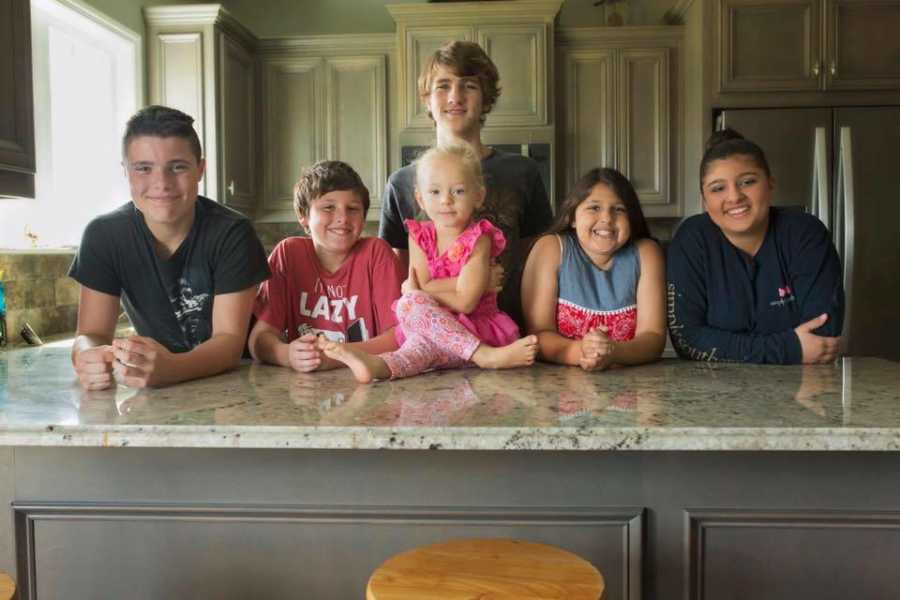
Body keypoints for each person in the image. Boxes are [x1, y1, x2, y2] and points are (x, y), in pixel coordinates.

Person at [69, 105, 271, 389]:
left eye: (177, 167)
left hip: (238, 381)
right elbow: (91, 333)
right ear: (126, 172)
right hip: (161, 380)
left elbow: (229, 342)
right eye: (144, 168)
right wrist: (86, 354)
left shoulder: (233, 233)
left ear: (200, 169)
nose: (161, 183)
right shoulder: (103, 236)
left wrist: (170, 369)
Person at [322, 143, 538, 383]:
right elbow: (424, 284)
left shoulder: (479, 238)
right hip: (430, 331)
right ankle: (377, 366)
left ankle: (485, 354)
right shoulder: (419, 235)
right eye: (435, 192)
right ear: (420, 199)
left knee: (410, 302)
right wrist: (449, 287)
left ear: (478, 196)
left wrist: (423, 291)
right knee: (417, 348)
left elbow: (465, 303)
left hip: (475, 330)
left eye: (458, 191)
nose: (446, 200)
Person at [378, 40, 552, 324]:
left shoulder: (523, 172)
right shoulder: (401, 183)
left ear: (485, 99)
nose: (455, 96)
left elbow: (541, 262)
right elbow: (399, 277)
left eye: (469, 85)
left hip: (509, 333)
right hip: (430, 337)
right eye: (443, 85)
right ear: (427, 99)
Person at [666, 128, 844, 364]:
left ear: (770, 185)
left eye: (747, 182)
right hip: (714, 394)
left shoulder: (806, 234)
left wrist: (728, 345)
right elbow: (688, 340)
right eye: (718, 188)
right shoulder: (691, 240)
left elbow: (822, 338)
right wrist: (790, 347)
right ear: (704, 200)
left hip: (801, 390)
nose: (734, 197)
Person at [248, 160, 404, 372]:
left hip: (369, 382)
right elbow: (259, 339)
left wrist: (339, 356)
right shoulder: (288, 255)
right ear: (303, 216)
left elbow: (399, 337)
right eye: (328, 207)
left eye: (352, 209)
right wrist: (287, 355)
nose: (342, 218)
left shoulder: (376, 254)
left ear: (363, 216)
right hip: (304, 388)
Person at [521, 168, 667, 371]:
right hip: (559, 386)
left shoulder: (647, 253)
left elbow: (653, 338)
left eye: (619, 209)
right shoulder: (550, 249)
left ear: (631, 219)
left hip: (630, 386)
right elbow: (539, 334)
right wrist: (582, 352)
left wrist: (613, 352)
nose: (607, 218)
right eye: (594, 208)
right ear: (572, 217)